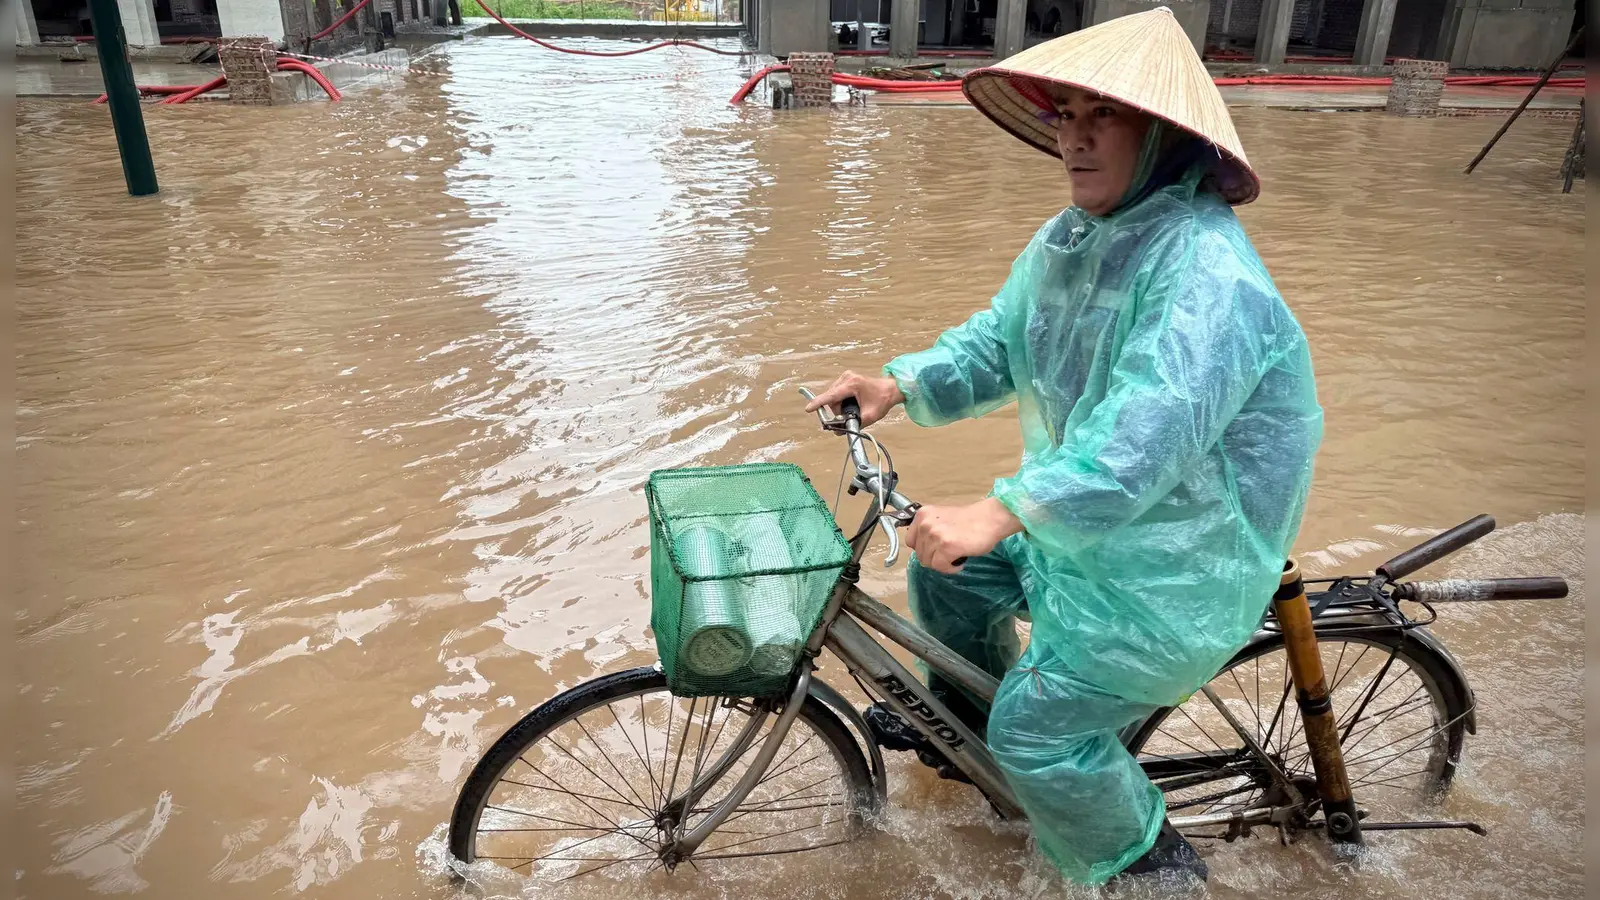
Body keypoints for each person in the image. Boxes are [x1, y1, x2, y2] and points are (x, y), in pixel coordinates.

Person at [805, 7, 1323, 887]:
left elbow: (1138, 445)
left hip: (1175, 569)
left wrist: (1001, 510)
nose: (1076, 142)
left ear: (1161, 135)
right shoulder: (1073, 239)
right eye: (1066, 118)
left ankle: (1155, 870)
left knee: (1036, 727)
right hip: (1092, 536)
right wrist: (897, 384)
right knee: (944, 571)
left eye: (1103, 118)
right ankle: (969, 745)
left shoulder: (1209, 276)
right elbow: (999, 342)